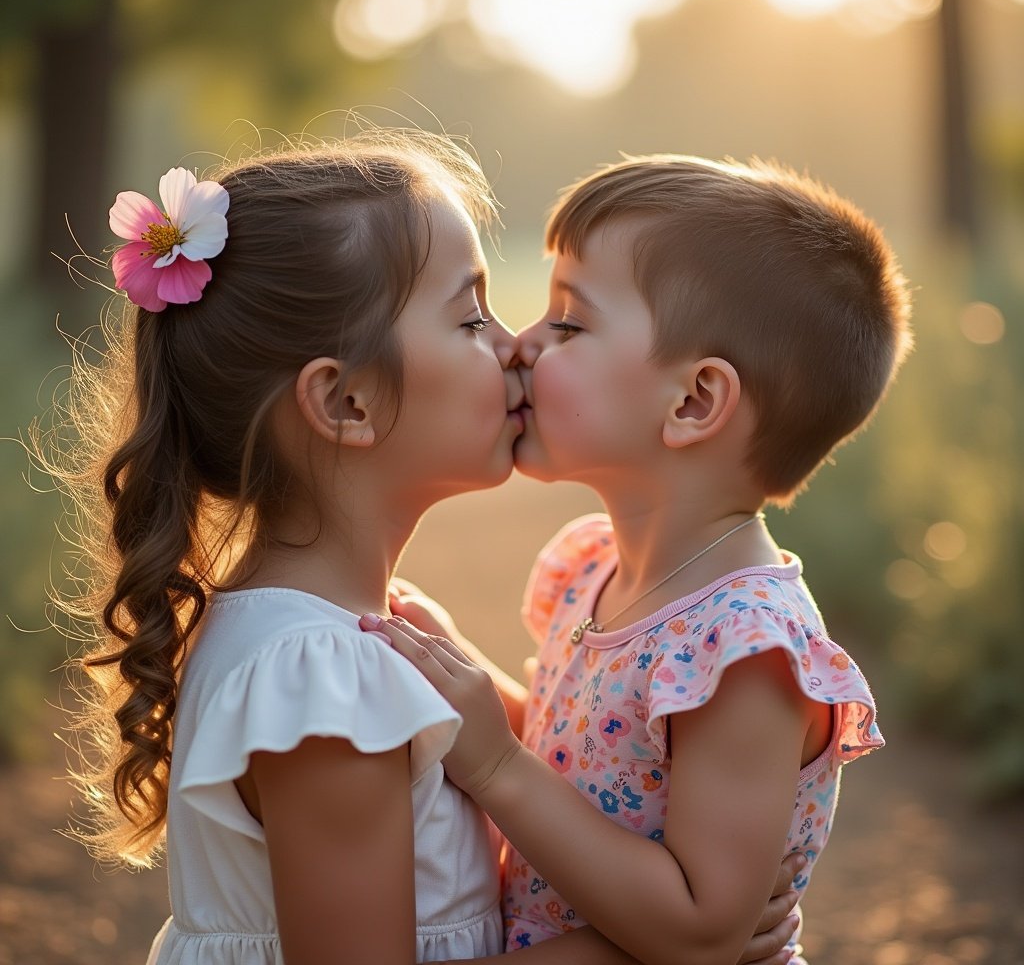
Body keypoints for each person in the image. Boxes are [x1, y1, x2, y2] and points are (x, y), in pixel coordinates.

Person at [43, 133, 802, 965]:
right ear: (348, 402)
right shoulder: (326, 690)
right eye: (471, 317)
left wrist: (686, 912)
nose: (516, 345)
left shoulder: (346, 645)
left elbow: (578, 747)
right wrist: (642, 952)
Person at [364, 154, 912, 965]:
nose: (519, 344)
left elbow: (700, 931)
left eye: (570, 323)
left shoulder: (742, 651)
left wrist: (495, 763)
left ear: (693, 402)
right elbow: (590, 761)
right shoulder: (598, 568)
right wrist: (467, 678)